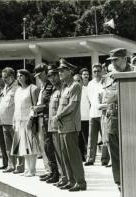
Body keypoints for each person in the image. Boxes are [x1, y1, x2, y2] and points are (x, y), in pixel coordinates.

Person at [104, 48, 132, 191]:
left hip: (129, 120)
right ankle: (119, 183)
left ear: (125, 59)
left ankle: (131, 181)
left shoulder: (134, 73)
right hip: (111, 120)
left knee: (130, 154)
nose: (113, 63)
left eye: (116, 60)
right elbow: (105, 97)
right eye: (111, 61)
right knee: (115, 155)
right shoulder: (109, 76)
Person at [56, 58, 86, 192]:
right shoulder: (64, 86)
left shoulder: (75, 86)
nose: (60, 73)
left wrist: (58, 115)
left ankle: (80, 182)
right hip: (62, 126)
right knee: (65, 155)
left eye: (62, 70)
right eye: (59, 71)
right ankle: (70, 180)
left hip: (70, 126)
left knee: (73, 155)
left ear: (70, 71)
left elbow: (72, 105)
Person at [11, 69, 40, 177]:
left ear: (27, 77)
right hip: (19, 121)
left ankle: (32, 169)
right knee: (24, 146)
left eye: (21, 75)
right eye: (18, 76)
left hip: (29, 121)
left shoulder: (33, 88)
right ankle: (28, 169)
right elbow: (16, 107)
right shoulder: (17, 90)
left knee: (31, 146)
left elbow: (35, 105)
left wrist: (31, 119)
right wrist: (14, 121)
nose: (19, 77)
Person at [33, 64, 59, 183]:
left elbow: (52, 104)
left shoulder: (50, 86)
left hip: (49, 118)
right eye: (37, 76)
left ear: (45, 72)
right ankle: (51, 171)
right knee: (46, 147)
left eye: (40, 75)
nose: (39, 78)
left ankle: (55, 172)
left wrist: (40, 107)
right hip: (43, 118)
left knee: (50, 146)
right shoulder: (43, 86)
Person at [46, 64, 67, 188]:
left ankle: (65, 177)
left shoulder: (63, 89)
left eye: (54, 75)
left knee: (63, 154)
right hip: (53, 127)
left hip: (60, 126)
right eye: (49, 76)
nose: (52, 78)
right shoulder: (54, 90)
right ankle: (62, 176)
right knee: (58, 154)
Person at [0, 67, 25, 173]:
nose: (3, 79)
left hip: (14, 122)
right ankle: (11, 165)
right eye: (3, 77)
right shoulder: (5, 87)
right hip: (5, 121)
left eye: (5, 77)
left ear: (11, 76)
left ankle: (20, 166)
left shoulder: (17, 87)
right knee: (8, 146)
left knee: (17, 145)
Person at [85, 63, 109, 166]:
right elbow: (89, 98)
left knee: (104, 138)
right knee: (92, 138)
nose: (96, 73)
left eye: (98, 71)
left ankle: (104, 159)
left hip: (103, 113)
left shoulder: (105, 82)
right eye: (94, 71)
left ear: (102, 71)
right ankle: (90, 159)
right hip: (93, 113)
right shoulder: (90, 84)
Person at [78, 68, 90, 162]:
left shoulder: (90, 86)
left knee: (87, 138)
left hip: (89, 117)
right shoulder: (79, 88)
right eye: (84, 74)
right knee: (80, 139)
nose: (86, 75)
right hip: (80, 117)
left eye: (87, 74)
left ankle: (88, 155)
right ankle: (82, 156)